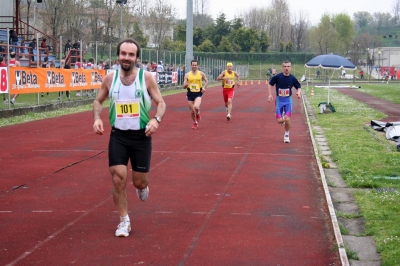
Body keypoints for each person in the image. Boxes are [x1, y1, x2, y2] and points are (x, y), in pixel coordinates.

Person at [92, 38, 166, 237]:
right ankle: (124, 221)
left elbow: (161, 103)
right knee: (118, 178)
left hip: (141, 136)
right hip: (118, 136)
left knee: (139, 182)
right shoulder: (110, 78)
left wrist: (156, 120)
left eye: (131, 54)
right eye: (123, 54)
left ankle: (143, 187)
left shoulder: (147, 78)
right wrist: (97, 118)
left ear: (137, 58)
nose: (127, 57)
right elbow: (98, 100)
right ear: (118, 56)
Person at [267, 61, 301, 143]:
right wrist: (270, 95)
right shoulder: (278, 77)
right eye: (285, 66)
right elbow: (269, 84)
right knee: (280, 121)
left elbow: (298, 87)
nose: (286, 68)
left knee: (287, 119)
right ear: (282, 67)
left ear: (290, 68)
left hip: (288, 100)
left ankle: (286, 135)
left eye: (288, 66)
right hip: (279, 100)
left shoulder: (293, 78)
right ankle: (281, 118)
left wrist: (298, 92)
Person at [182, 59, 208, 129]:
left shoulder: (201, 74)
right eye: (193, 65)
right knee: (192, 111)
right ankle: (195, 122)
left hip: (198, 93)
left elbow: (206, 80)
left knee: (196, 107)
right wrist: (185, 85)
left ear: (197, 66)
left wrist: (204, 87)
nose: (194, 66)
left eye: (195, 65)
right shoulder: (187, 75)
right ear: (191, 65)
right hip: (190, 94)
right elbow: (183, 86)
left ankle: (198, 113)